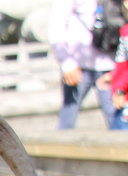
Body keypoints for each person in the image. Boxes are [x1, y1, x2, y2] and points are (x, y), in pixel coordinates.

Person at [49, 0, 120, 128]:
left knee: (118, 121)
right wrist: (66, 62)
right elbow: (57, 23)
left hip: (111, 64)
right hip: (78, 66)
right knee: (67, 120)